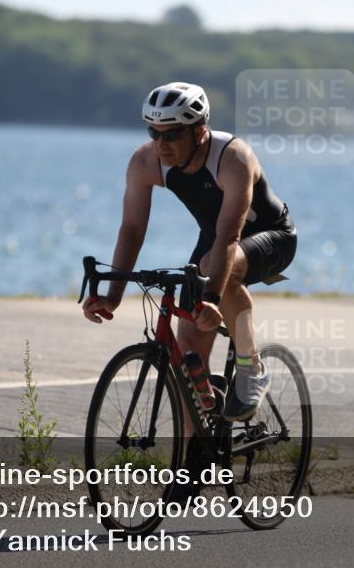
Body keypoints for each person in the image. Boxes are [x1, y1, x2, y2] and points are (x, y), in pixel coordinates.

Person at [81, 81, 297, 423]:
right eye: (154, 132)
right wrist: (114, 295)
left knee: (212, 269)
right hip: (215, 242)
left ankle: (250, 367)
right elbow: (133, 229)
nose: (161, 145)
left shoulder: (233, 158)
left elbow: (230, 234)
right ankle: (193, 462)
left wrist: (210, 296)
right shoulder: (145, 162)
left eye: (172, 135)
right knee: (188, 353)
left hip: (272, 237)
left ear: (199, 131)